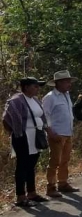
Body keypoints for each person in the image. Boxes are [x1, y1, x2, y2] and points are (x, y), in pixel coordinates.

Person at [2, 77, 50, 206]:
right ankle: (21, 196)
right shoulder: (16, 100)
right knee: (22, 166)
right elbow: (7, 119)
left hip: (36, 136)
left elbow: (41, 116)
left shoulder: (35, 100)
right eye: (35, 86)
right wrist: (17, 132)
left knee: (31, 165)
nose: (37, 88)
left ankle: (32, 193)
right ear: (26, 87)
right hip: (23, 137)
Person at [42, 70, 80, 198]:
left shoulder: (66, 95)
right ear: (58, 83)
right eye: (66, 82)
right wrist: (50, 132)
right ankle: (51, 187)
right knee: (54, 161)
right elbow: (44, 115)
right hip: (57, 134)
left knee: (65, 160)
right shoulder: (50, 97)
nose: (69, 84)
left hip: (68, 133)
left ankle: (63, 183)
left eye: (69, 81)